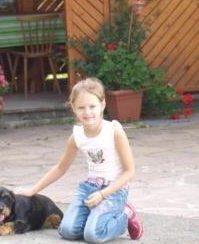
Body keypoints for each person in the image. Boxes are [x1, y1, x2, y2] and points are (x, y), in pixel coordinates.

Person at [16, 77, 143, 242]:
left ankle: (125, 214)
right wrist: (33, 190)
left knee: (93, 235)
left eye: (92, 106)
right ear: (74, 109)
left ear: (103, 105)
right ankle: (95, 216)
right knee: (67, 231)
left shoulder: (114, 131)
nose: (87, 112)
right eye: (81, 107)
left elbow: (130, 171)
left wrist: (103, 194)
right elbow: (60, 168)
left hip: (114, 191)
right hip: (89, 188)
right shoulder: (77, 136)